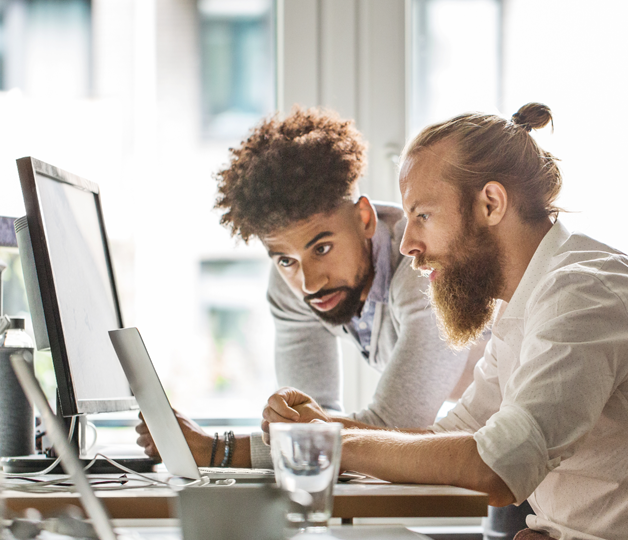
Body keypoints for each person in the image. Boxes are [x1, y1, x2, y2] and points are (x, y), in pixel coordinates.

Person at [263, 103, 628, 540]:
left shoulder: (582, 292)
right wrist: (326, 430)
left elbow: (495, 466)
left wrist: (331, 442)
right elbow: (454, 433)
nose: (408, 244)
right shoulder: (525, 301)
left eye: (422, 216)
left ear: (491, 203)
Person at [136, 107, 479, 468]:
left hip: (522, 445)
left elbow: (390, 433)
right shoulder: (292, 287)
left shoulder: (422, 268)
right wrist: (292, 432)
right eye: (285, 259)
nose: (309, 282)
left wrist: (216, 449)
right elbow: (310, 423)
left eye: (322, 248)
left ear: (364, 218)